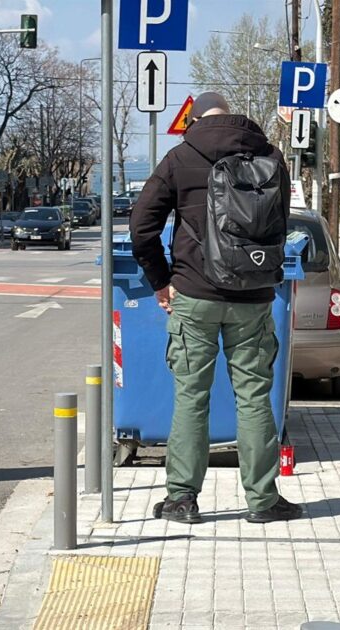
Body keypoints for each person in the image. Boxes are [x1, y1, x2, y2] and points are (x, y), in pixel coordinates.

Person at [129, 92, 302, 524]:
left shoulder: (181, 157)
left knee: (192, 397)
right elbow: (281, 221)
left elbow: (141, 226)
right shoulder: (271, 156)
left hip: (195, 295)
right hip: (255, 298)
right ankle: (263, 500)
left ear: (194, 119)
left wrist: (161, 280)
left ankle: (182, 499)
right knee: (255, 397)